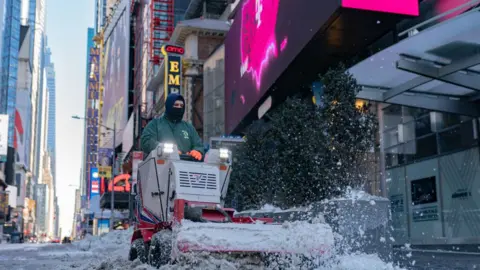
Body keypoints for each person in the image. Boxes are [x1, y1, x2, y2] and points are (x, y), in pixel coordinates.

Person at [141, 93, 204, 160]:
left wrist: (198, 151)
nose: (179, 107)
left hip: (185, 166)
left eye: (181, 105)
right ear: (169, 105)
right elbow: (146, 141)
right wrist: (167, 149)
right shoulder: (155, 124)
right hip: (160, 165)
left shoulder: (188, 127)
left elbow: (198, 144)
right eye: (176, 105)